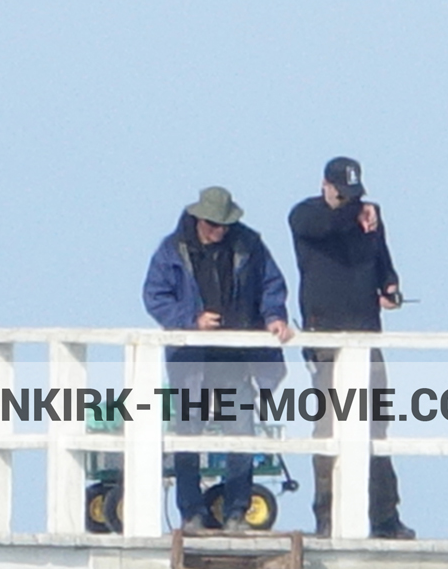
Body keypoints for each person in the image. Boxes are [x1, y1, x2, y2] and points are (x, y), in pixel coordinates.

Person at [143, 187, 295, 532]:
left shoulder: (250, 244)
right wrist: (191, 319)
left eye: (225, 223)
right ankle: (191, 513)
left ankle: (237, 512)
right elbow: (154, 295)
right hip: (191, 362)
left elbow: (272, 285)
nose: (220, 230)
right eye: (213, 223)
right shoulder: (171, 250)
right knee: (188, 436)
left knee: (240, 433)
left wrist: (275, 317)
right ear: (199, 219)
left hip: (237, 359)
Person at [288, 157, 414, 539]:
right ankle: (328, 516)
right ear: (325, 185)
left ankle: (384, 516)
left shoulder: (368, 219)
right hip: (325, 336)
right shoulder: (305, 215)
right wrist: (359, 213)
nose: (348, 201)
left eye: (354, 195)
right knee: (329, 427)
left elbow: (382, 261)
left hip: (366, 333)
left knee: (375, 425)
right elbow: (326, 227)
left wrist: (389, 286)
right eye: (342, 193)